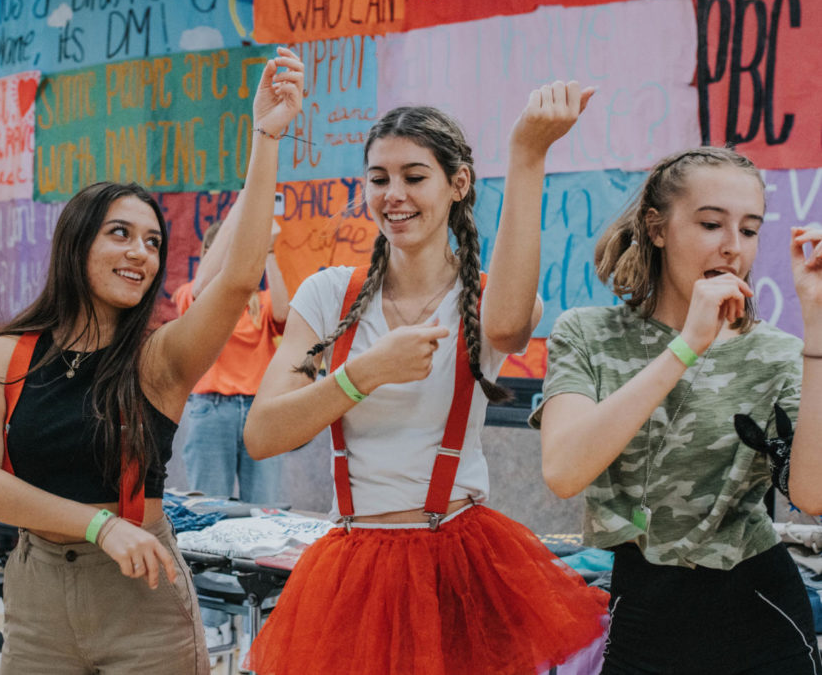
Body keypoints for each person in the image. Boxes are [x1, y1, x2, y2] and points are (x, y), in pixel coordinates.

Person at [0, 47, 304, 674]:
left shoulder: (157, 359)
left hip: (141, 598)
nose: (140, 252)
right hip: (37, 595)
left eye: (152, 242)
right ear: (76, 242)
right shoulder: (7, 353)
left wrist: (266, 137)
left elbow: (238, 276)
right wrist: (98, 526)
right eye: (119, 233)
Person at [241, 82, 607, 675]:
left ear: (457, 185)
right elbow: (263, 434)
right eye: (379, 178)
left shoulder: (485, 299)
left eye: (415, 176)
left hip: (459, 563)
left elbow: (512, 327)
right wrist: (363, 374)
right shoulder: (329, 294)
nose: (394, 195)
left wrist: (527, 155)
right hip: (353, 569)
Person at [531, 146, 822, 674]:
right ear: (657, 227)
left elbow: (813, 496)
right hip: (643, 609)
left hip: (759, 610)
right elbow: (564, 471)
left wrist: (819, 332)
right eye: (712, 223)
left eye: (751, 230)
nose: (733, 247)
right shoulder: (587, 334)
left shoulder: (775, 352)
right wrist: (687, 345)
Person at [172, 216, 287, 503]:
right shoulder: (190, 294)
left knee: (265, 509)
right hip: (212, 410)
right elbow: (203, 290)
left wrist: (268, 250)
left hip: (260, 411)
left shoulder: (261, 302)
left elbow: (284, 314)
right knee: (209, 508)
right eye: (226, 248)